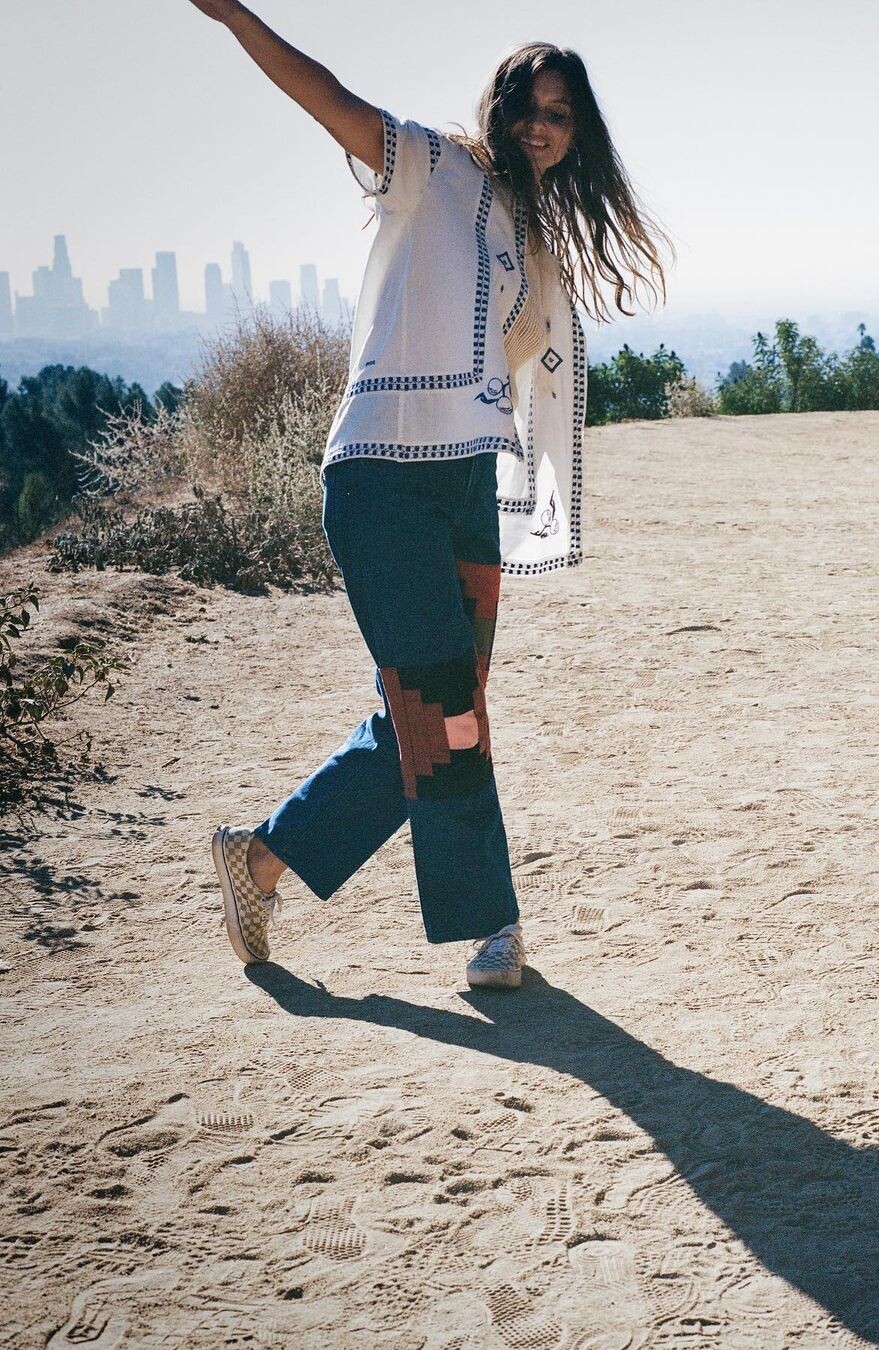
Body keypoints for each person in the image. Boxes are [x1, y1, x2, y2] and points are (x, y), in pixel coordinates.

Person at [190, 0, 671, 989]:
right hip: (381, 480)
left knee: (442, 714)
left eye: (560, 115)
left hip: (464, 485)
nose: (540, 126)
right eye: (529, 107)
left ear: (576, 134)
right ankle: (492, 926)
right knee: (443, 710)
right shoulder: (431, 169)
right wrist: (235, 16)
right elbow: (328, 99)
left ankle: (264, 858)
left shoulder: (535, 236)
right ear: (499, 107)